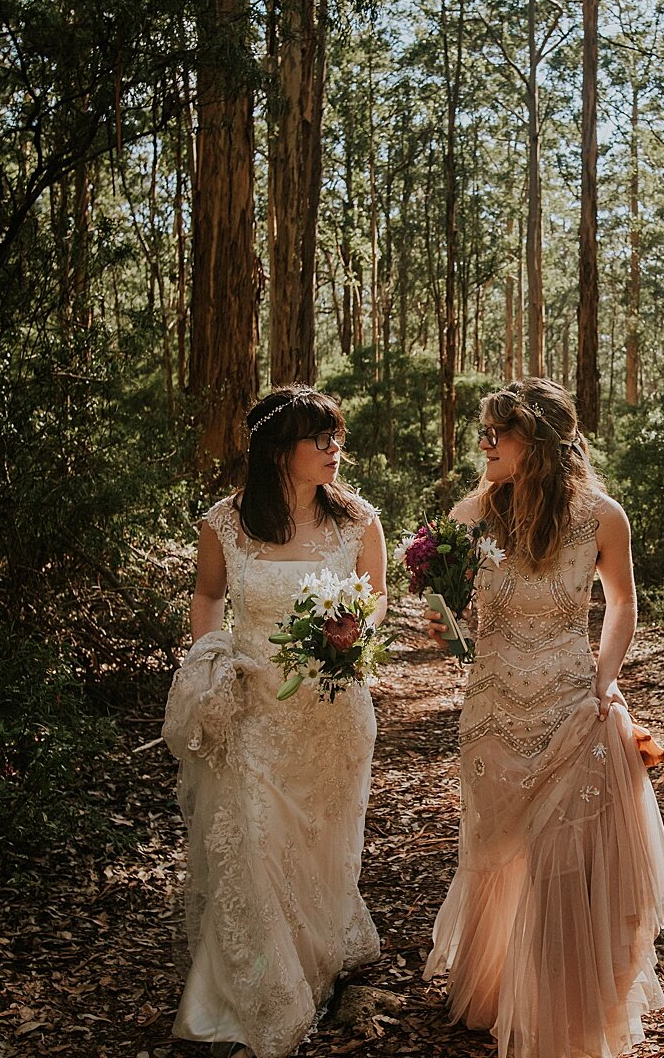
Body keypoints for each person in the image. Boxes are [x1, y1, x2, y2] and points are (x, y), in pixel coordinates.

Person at [423, 377, 664, 1058]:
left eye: (496, 433)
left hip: (572, 706)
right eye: (483, 431)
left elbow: (623, 604)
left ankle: (566, 1006)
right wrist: (443, 624)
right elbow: (447, 620)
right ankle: (502, 986)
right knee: (501, 853)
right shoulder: (471, 516)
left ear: (535, 442)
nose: (483, 444)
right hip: (492, 711)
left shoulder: (603, 517)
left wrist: (606, 680)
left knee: (562, 856)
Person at [162, 386, 387, 1057]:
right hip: (254, 711)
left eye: (336, 436)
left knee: (320, 847)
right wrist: (210, 659)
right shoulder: (225, 523)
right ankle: (255, 996)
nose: (334, 450)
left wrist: (356, 632)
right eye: (319, 438)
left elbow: (374, 605)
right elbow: (207, 596)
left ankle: (321, 947)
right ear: (276, 449)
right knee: (254, 847)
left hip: (334, 714)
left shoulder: (358, 522)